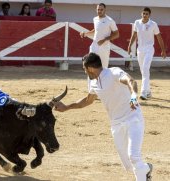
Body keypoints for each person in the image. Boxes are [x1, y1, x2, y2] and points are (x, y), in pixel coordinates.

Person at [54, 52, 153, 181]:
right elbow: (87, 101)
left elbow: (131, 81)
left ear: (89, 68)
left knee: (134, 156)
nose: (85, 72)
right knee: (129, 164)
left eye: (84, 69)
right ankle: (146, 169)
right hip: (116, 124)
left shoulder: (113, 73)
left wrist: (133, 95)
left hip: (133, 118)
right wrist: (66, 107)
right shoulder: (94, 83)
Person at [128, 7, 166, 100]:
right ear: (141, 14)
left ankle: (143, 92)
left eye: (147, 14)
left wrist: (163, 50)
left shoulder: (153, 24)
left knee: (145, 69)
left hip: (149, 49)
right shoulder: (137, 22)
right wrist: (129, 46)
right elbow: (134, 35)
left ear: (149, 15)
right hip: (140, 50)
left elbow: (159, 37)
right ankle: (148, 92)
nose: (145, 15)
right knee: (143, 71)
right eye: (144, 13)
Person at [80, 3, 119, 68]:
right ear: (96, 10)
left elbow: (116, 34)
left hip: (104, 47)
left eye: (101, 9)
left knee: (103, 68)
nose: (99, 11)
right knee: (90, 64)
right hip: (94, 45)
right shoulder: (95, 19)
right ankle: (91, 78)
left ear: (105, 10)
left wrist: (104, 40)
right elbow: (96, 30)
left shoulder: (110, 20)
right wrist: (85, 34)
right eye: (98, 9)